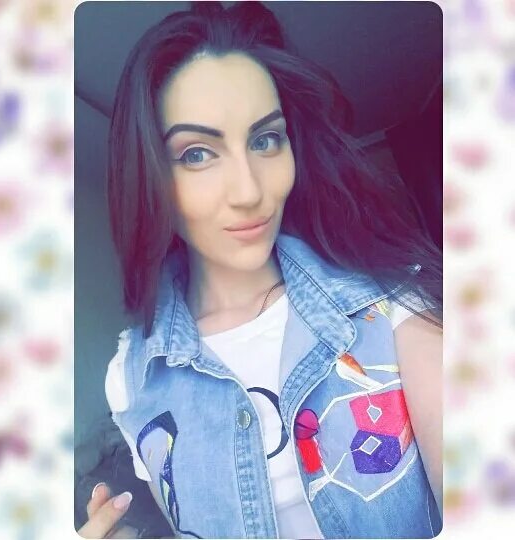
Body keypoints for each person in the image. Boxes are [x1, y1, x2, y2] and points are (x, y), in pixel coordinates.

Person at [78, 1, 443, 538]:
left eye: (265, 140)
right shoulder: (131, 379)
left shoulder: (392, 306)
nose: (250, 191)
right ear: (149, 176)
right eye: (197, 154)